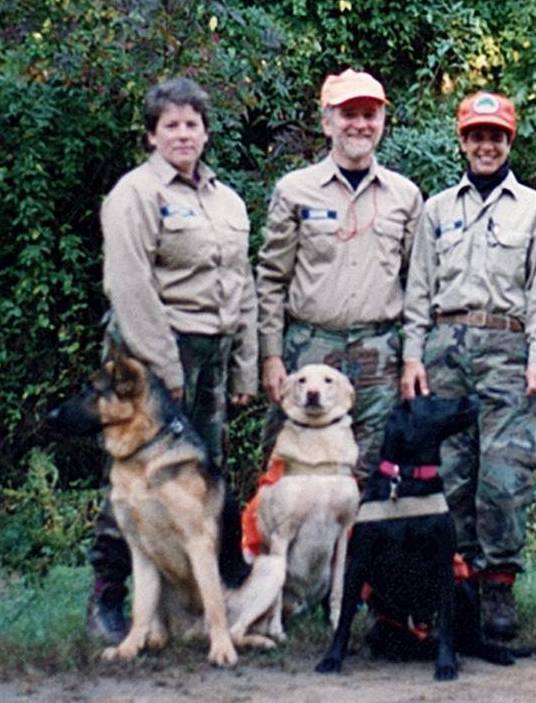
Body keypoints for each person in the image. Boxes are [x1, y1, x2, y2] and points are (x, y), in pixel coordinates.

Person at [88, 76, 258, 642]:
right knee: (135, 479)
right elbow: (129, 284)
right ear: (152, 135)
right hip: (152, 356)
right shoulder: (135, 194)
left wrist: (245, 364)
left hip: (212, 350)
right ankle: (107, 598)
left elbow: (242, 284)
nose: (183, 134)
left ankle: (188, 608)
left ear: (206, 133)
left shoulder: (226, 200)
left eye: (192, 124)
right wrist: (163, 370)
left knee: (196, 481)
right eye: (171, 125)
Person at [400, 92, 536, 640]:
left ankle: (497, 584)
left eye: (495, 136)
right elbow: (418, 289)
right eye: (476, 136)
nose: (485, 145)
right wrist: (412, 353)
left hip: (508, 347)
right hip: (446, 347)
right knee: (450, 471)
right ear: (463, 142)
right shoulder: (437, 209)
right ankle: (455, 579)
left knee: (504, 474)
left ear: (508, 141)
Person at [256, 68, 423, 482]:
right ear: (327, 121)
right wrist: (271, 356)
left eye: (370, 114)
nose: (360, 124)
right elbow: (272, 279)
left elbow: (419, 285)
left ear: (382, 122)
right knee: (289, 474)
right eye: (349, 114)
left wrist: (412, 357)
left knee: (369, 473)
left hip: (379, 355)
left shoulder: (405, 196)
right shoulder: (295, 190)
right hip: (310, 351)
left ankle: (358, 529)